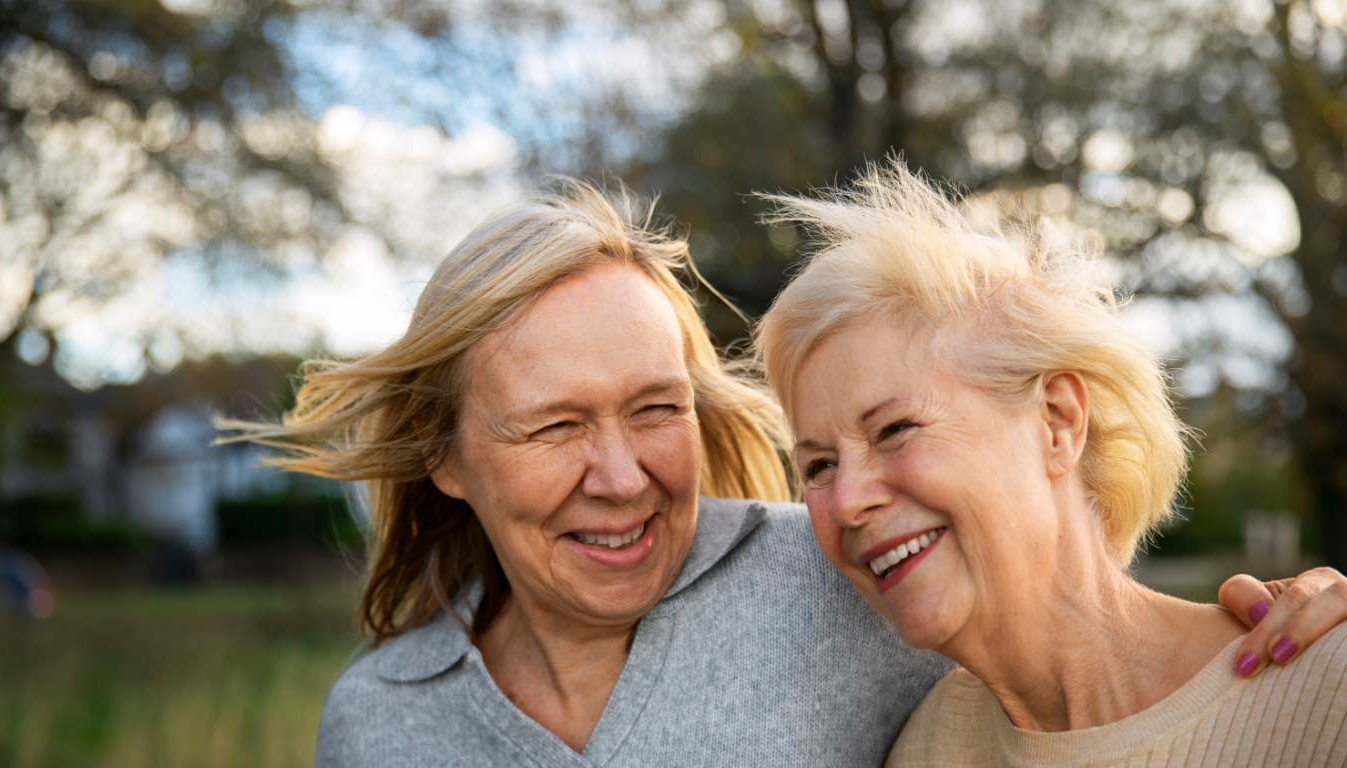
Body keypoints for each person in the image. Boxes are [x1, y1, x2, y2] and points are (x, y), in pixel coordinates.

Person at [220, 180, 1343, 767]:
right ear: (444, 456)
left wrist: (1300, 632)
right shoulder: (379, 724)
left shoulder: (833, 576)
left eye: (654, 409)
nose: (617, 476)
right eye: (554, 426)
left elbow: (1048, 600)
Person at [757, 160, 1347, 767]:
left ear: (1058, 421)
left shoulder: (1327, 694)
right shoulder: (926, 751)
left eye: (895, 429)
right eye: (820, 466)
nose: (849, 499)